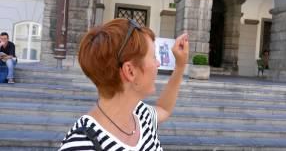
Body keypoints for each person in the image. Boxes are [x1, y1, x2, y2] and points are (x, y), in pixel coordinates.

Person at [59, 18, 189, 151]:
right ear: (130, 71)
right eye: (153, 57)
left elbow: (164, 109)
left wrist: (180, 65)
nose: (158, 64)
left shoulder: (139, 113)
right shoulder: (81, 146)